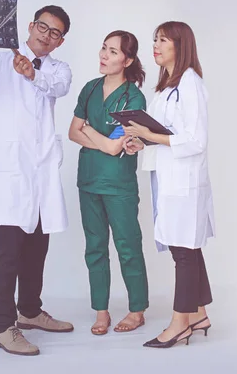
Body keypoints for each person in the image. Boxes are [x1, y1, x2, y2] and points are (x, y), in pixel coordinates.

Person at [0, 5, 74, 356]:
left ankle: (30, 312)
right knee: (7, 253)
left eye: (54, 33)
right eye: (42, 26)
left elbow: (58, 87)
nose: (46, 35)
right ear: (30, 25)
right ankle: (2, 328)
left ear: (60, 41)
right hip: (10, 175)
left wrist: (31, 75)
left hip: (42, 176)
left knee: (37, 248)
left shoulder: (58, 69)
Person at [121, 21, 215, 348]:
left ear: (180, 45)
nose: (156, 45)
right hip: (168, 177)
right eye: (155, 40)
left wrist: (149, 136)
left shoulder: (191, 84)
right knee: (186, 246)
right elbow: (163, 134)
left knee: (184, 252)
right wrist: (140, 141)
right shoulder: (164, 88)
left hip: (185, 182)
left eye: (163, 40)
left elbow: (196, 141)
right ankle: (200, 313)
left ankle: (179, 324)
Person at [68, 30, 149, 336]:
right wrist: (95, 137)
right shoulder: (89, 89)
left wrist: (91, 134)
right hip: (88, 181)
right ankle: (101, 311)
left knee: (128, 246)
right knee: (95, 248)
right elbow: (72, 132)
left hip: (119, 185)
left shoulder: (133, 97)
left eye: (113, 52)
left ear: (127, 60)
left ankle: (136, 309)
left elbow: (117, 148)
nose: (104, 55)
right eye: (104, 48)